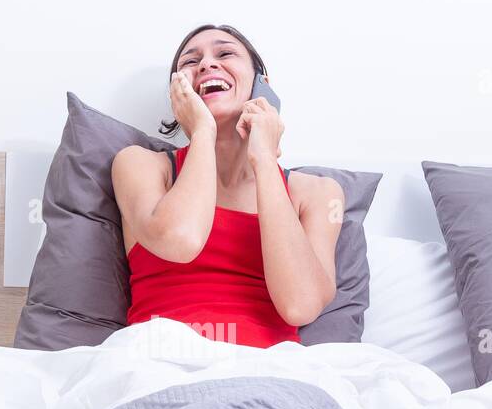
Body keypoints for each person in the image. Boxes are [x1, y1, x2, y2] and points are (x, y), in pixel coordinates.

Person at [112, 24, 343, 347]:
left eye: (225, 53)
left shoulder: (318, 193)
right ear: (178, 96)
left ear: (263, 86)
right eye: (190, 62)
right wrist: (203, 130)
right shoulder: (141, 165)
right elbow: (182, 240)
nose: (207, 64)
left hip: (271, 374)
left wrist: (264, 159)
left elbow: (299, 306)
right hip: (161, 362)